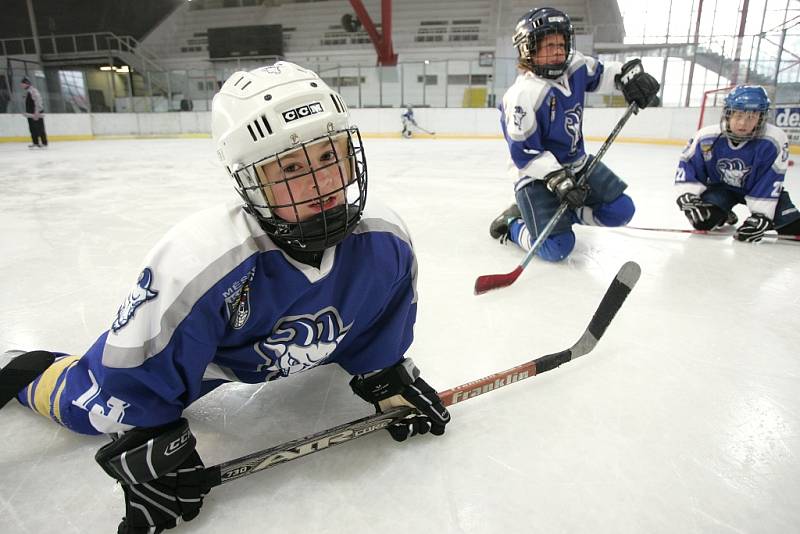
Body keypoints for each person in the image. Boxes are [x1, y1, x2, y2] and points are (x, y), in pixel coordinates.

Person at [0, 62, 450, 533]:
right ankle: (26, 368)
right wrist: (150, 442)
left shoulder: (386, 238)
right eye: (292, 167)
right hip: (219, 360)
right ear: (251, 179)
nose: (319, 184)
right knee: (87, 409)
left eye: (327, 156)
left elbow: (380, 322)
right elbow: (131, 377)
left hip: (305, 344)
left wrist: (385, 375)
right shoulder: (200, 261)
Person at [488, 7, 660, 262]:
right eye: (548, 45)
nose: (559, 50)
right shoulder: (521, 96)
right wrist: (559, 181)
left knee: (622, 210)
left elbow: (604, 73)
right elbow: (525, 154)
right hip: (536, 177)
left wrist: (629, 78)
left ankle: (568, 214)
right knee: (556, 248)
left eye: (562, 43)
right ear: (528, 49)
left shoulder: (575, 65)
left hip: (577, 164)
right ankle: (513, 224)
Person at [675, 84, 800, 241]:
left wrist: (762, 217)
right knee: (702, 220)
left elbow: (771, 179)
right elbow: (689, 164)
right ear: (728, 114)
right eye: (738, 115)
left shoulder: (774, 140)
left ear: (761, 118)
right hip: (722, 189)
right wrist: (688, 195)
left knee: (793, 228)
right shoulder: (705, 136)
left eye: (751, 117)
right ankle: (724, 214)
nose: (742, 123)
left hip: (759, 190)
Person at [21, 76, 48, 148]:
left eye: (22, 84)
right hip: (31, 114)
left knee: (39, 127)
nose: (21, 85)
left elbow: (38, 101)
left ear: (27, 84)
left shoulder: (33, 91)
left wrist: (37, 112)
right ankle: (35, 142)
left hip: (36, 113)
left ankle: (44, 143)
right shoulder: (28, 91)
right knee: (32, 128)